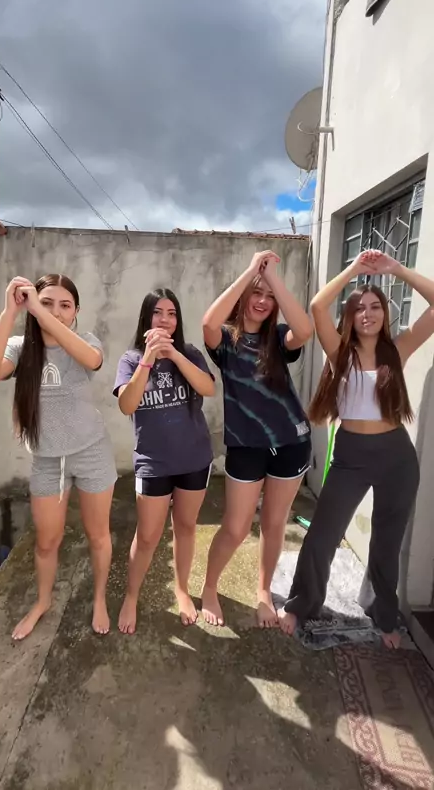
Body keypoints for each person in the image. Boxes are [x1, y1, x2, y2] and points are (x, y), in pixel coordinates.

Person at [278, 249, 434, 648]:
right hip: (351, 456)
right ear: (350, 316)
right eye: (359, 308)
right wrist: (354, 269)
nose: (368, 314)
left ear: (385, 313)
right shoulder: (339, 352)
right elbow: (318, 305)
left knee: (387, 539)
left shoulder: (397, 350)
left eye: (375, 306)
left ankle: (383, 614)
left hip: (396, 456)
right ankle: (301, 604)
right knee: (323, 534)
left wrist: (396, 269)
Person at [0, 274, 117, 640]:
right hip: (48, 460)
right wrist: (9, 313)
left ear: (76, 311)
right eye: (46, 302)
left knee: (98, 535)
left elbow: (93, 360)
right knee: (46, 541)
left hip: (92, 453)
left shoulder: (85, 342)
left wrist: (39, 311)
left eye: (65, 305)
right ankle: (42, 601)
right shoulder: (21, 348)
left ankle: (100, 599)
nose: (55, 310)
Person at [201, 250, 313, 628]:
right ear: (243, 297)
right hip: (246, 446)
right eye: (256, 293)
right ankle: (210, 588)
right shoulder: (225, 341)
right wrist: (252, 271)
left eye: (269, 296)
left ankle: (264, 591)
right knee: (236, 527)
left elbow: (305, 331)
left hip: (291, 442)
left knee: (274, 523)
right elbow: (208, 322)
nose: (263, 301)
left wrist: (273, 280)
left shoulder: (279, 338)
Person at [113, 288, 215, 634]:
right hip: (153, 463)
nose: (165, 320)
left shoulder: (190, 353)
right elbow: (127, 405)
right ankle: (131, 596)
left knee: (186, 527)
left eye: (172, 314)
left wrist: (174, 354)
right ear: (147, 317)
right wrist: (149, 359)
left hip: (194, 459)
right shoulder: (130, 359)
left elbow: (208, 388)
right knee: (147, 536)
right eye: (158, 312)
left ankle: (182, 590)